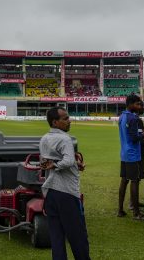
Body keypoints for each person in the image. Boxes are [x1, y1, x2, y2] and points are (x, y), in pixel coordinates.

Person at [39, 107, 90, 260]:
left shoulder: (44, 139)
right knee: (78, 236)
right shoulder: (65, 139)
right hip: (67, 193)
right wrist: (58, 165)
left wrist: (73, 164)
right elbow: (66, 161)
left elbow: (47, 160)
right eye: (65, 118)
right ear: (55, 122)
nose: (69, 121)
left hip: (50, 192)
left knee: (57, 238)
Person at [117, 95, 144, 220]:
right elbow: (134, 138)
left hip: (124, 153)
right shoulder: (133, 118)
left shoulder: (122, 116)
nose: (138, 106)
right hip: (133, 154)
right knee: (135, 181)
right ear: (130, 104)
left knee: (124, 180)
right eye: (136, 104)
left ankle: (120, 210)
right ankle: (136, 213)